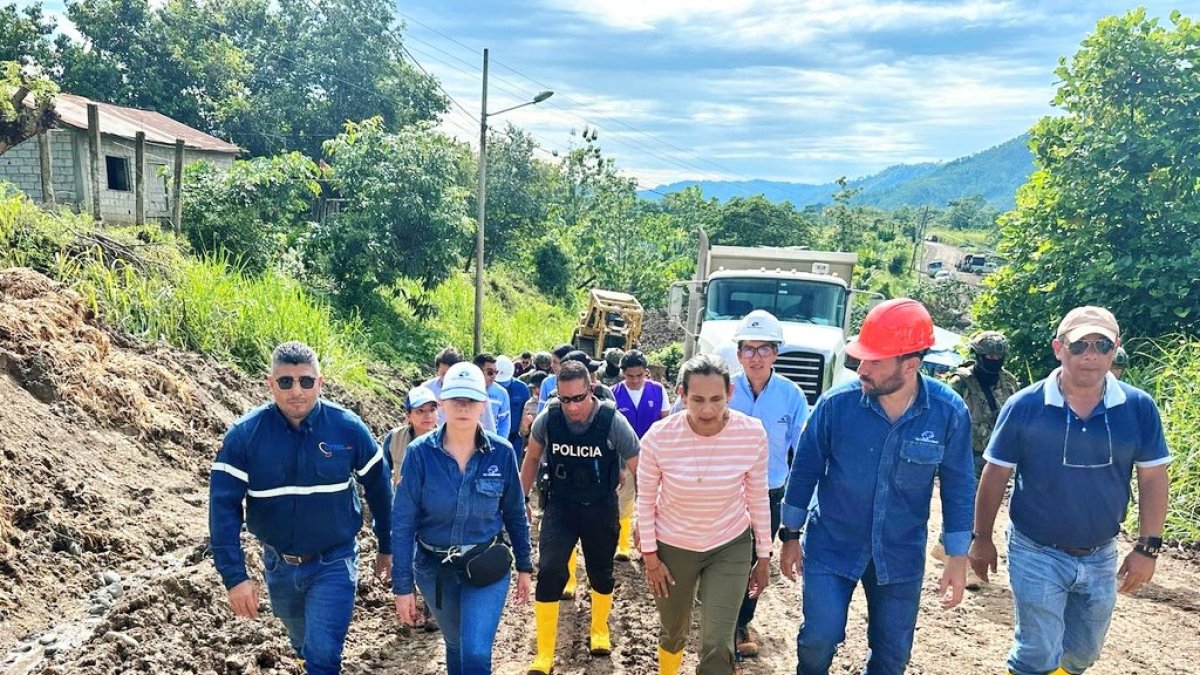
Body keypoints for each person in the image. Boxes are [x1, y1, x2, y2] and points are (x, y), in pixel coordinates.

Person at [969, 306, 1170, 675]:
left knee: (1082, 653)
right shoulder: (1025, 405)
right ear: (1058, 349)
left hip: (1100, 552)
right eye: (1079, 346)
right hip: (1036, 549)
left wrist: (1148, 547)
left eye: (1101, 344)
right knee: (1038, 651)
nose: (1090, 355)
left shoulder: (1138, 407)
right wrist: (981, 538)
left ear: (1115, 349)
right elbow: (995, 473)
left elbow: (1153, 478)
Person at [779, 298, 975, 675]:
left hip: (899, 552)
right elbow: (804, 470)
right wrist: (790, 534)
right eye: (861, 359)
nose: (861, 369)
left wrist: (957, 555)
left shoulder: (948, 413)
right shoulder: (836, 406)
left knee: (892, 656)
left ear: (911, 364)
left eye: (874, 361)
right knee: (819, 638)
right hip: (832, 545)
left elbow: (959, 484)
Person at [209, 341, 393, 674]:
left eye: (306, 381)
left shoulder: (347, 428)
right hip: (279, 567)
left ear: (320, 383)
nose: (297, 390)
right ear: (270, 383)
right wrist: (234, 577)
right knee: (304, 647)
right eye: (286, 381)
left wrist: (387, 545)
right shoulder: (244, 436)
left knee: (323, 654)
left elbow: (380, 486)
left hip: (334, 561)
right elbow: (223, 510)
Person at [392, 362, 533, 675]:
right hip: (434, 570)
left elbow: (514, 512)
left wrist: (524, 565)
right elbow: (402, 523)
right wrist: (403, 587)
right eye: (456, 400)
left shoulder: (501, 452)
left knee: (475, 652)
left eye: (471, 400)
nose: (463, 408)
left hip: (486, 566)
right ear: (443, 403)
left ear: (484, 405)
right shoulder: (419, 454)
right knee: (455, 644)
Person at [638, 353, 772, 675]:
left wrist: (764, 556)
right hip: (673, 545)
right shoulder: (659, 437)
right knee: (673, 632)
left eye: (716, 399)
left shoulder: (751, 434)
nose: (707, 410)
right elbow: (644, 501)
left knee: (718, 640)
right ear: (681, 394)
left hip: (729, 544)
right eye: (697, 399)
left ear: (730, 393)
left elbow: (757, 497)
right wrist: (651, 557)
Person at [519, 361, 641, 674]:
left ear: (591, 389)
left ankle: (599, 629)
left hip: (600, 508)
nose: (572, 406)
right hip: (560, 507)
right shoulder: (548, 419)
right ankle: (544, 653)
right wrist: (521, 499)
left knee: (601, 573)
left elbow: (639, 463)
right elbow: (532, 457)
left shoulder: (612, 421)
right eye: (565, 399)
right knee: (549, 572)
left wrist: (648, 513)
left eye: (578, 397)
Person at [727, 310, 810, 660]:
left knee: (755, 560)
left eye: (764, 349)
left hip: (769, 493)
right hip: (725, 492)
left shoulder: (792, 396)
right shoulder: (723, 388)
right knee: (724, 558)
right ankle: (723, 619)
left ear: (776, 353)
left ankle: (741, 622)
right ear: (738, 354)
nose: (756, 357)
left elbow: (804, 452)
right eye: (749, 349)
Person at [380, 385, 441, 632]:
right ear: (408, 415)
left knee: (435, 560)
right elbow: (383, 477)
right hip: (406, 511)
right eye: (420, 411)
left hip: (436, 513)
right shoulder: (394, 440)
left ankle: (435, 610)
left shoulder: (448, 439)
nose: (427, 416)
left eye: (431, 410)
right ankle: (411, 605)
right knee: (409, 558)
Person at [610, 349, 670, 561]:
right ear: (623, 374)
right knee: (624, 500)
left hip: (652, 457)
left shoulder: (658, 391)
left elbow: (665, 422)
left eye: (639, 376)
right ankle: (623, 543)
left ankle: (649, 544)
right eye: (630, 376)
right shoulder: (613, 394)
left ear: (646, 372)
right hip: (624, 458)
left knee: (653, 501)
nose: (635, 380)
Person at [948, 330, 1021, 478]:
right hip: (966, 457)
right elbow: (946, 419)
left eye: (999, 356)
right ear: (978, 356)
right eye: (990, 356)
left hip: (999, 456)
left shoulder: (1008, 381)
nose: (995, 360)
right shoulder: (961, 383)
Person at [423, 347, 499, 432]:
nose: (447, 379)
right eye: (444, 374)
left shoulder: (477, 392)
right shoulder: (426, 390)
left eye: (451, 374)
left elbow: (489, 428)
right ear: (437, 370)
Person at [495, 355, 532, 462]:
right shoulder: (488, 389)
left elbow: (527, 412)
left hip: (515, 438)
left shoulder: (522, 388)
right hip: (492, 437)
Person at [473, 353, 512, 439]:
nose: (494, 376)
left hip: (492, 445)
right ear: (477, 371)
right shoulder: (465, 391)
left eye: (496, 372)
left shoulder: (502, 393)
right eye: (490, 372)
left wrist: (500, 444)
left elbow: (504, 422)